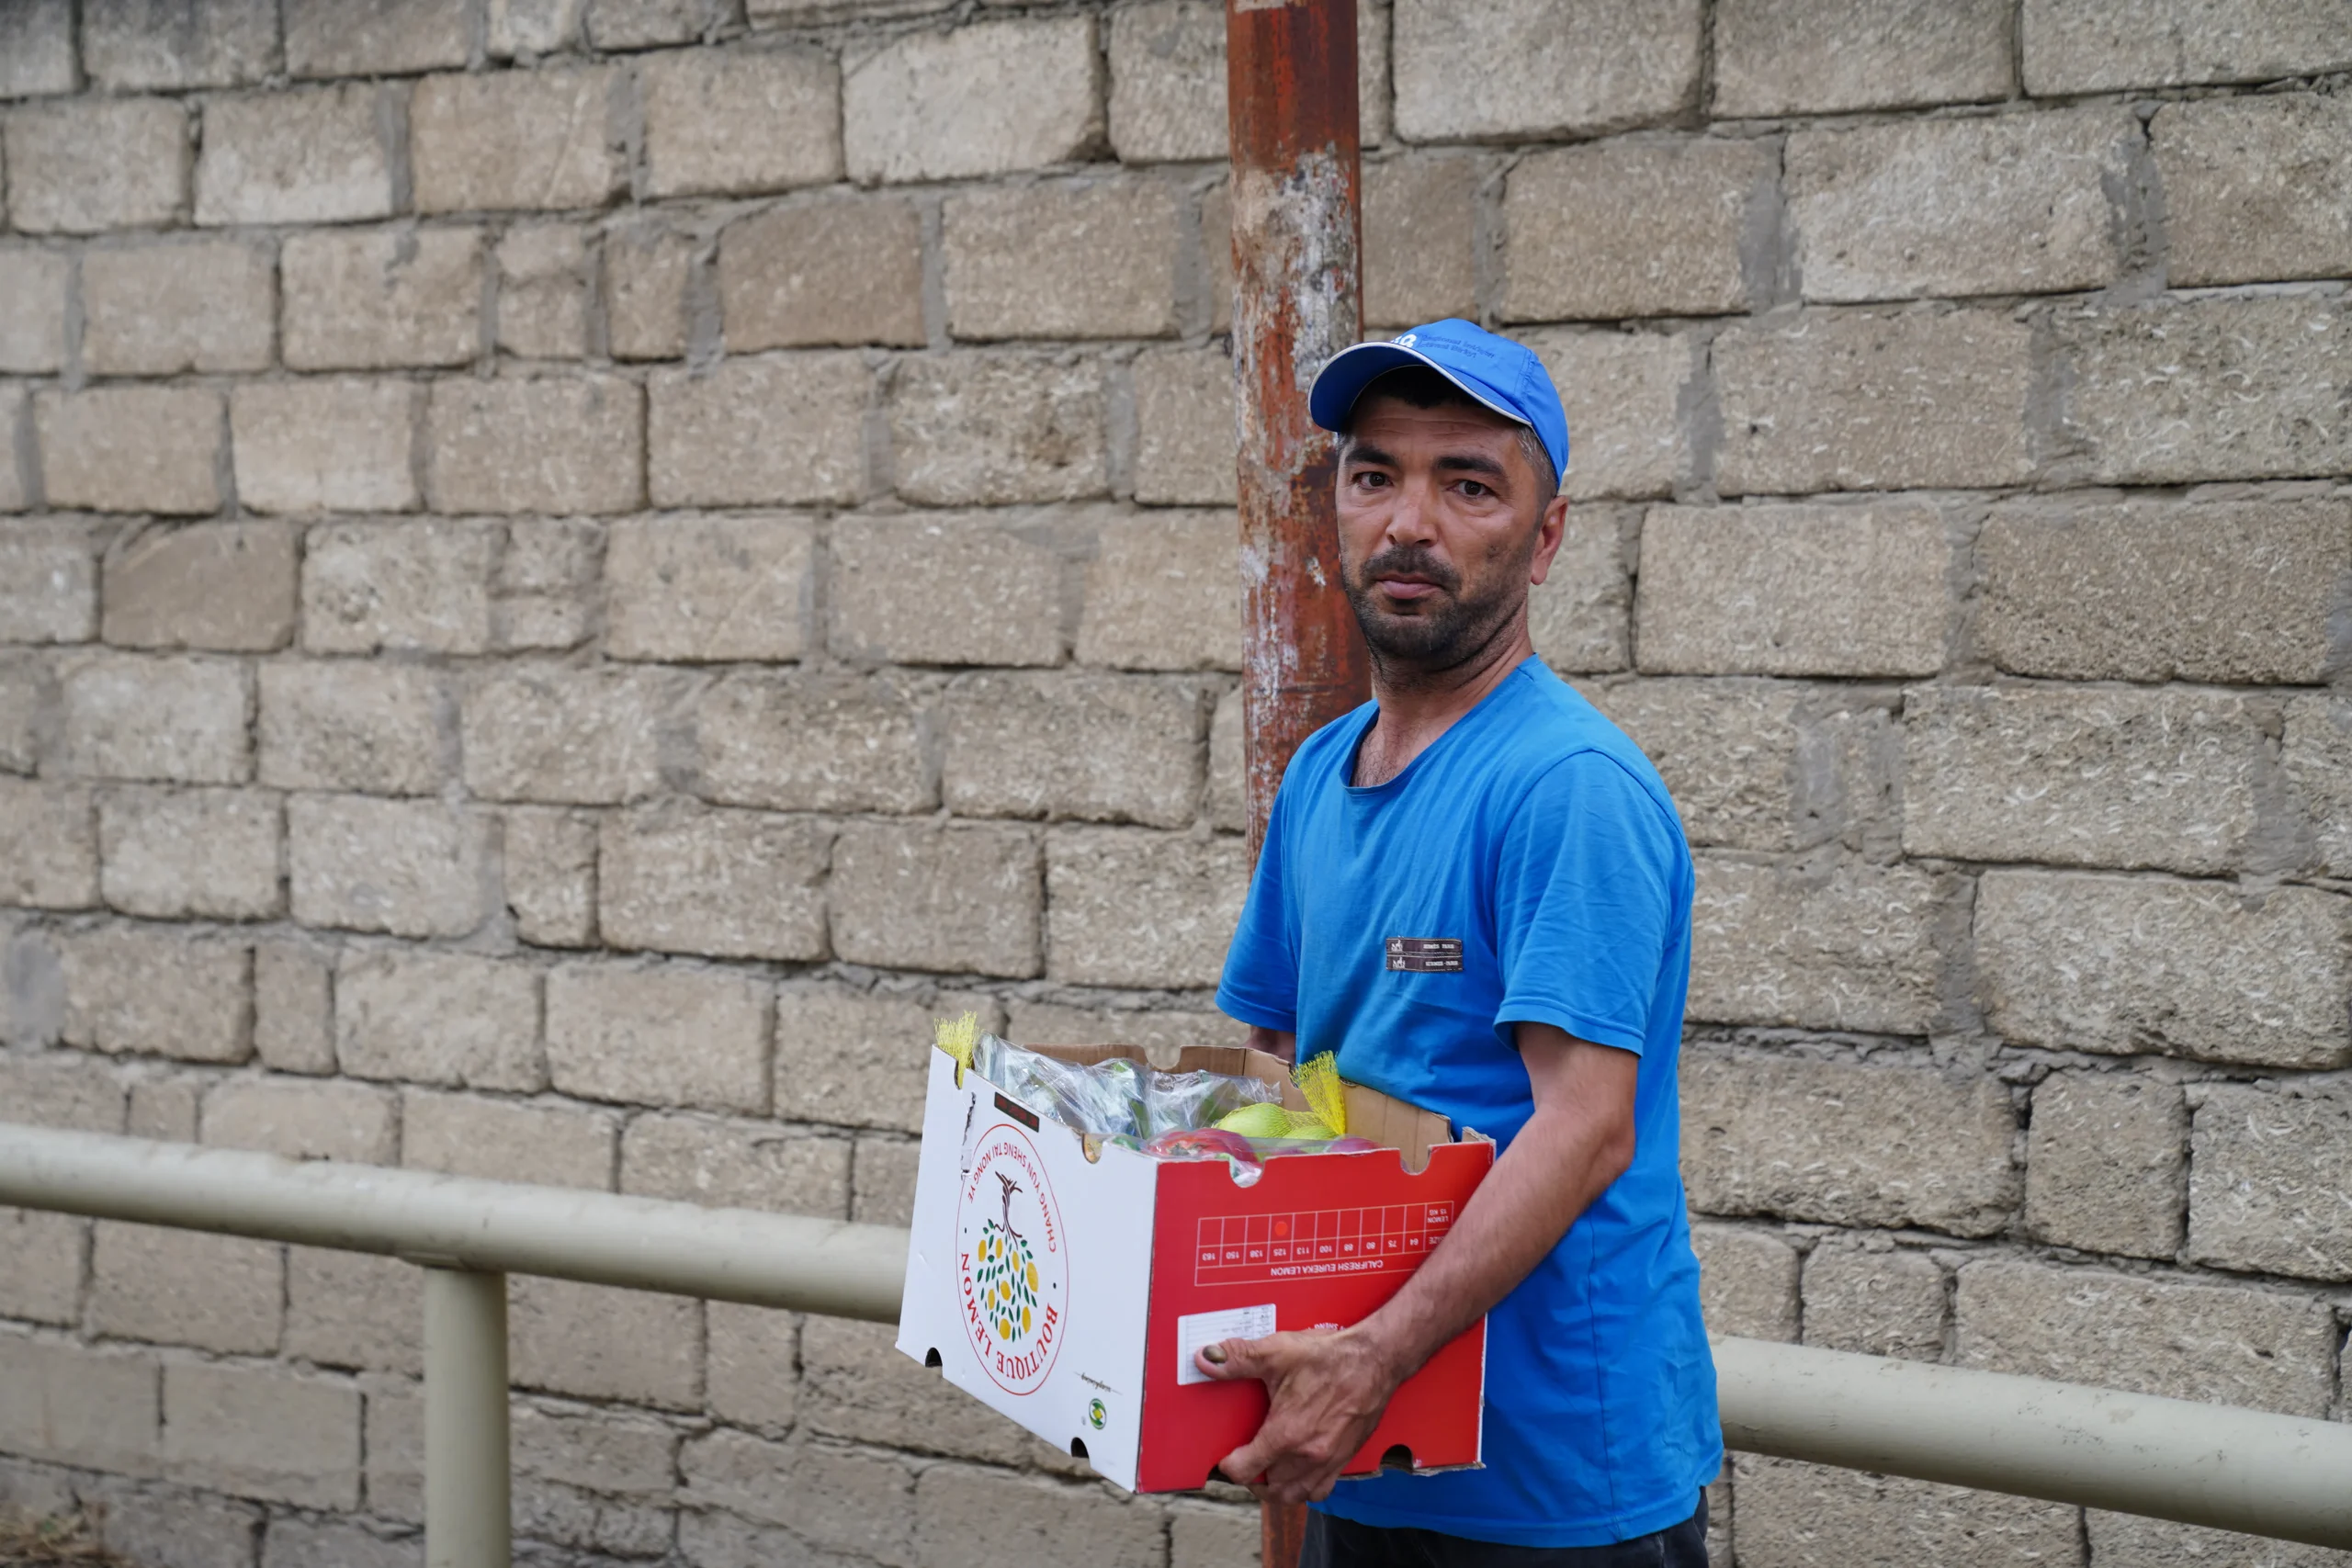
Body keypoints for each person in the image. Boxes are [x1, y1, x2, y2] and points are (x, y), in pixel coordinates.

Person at [1198, 318, 1720, 1566]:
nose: (1409, 522)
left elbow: (1586, 1126)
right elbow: (1274, 1064)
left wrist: (1373, 1353)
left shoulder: (1565, 784)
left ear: (1546, 537)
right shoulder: (1324, 774)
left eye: (1467, 483)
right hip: (1362, 1443)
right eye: (1375, 475)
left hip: (1545, 1480)